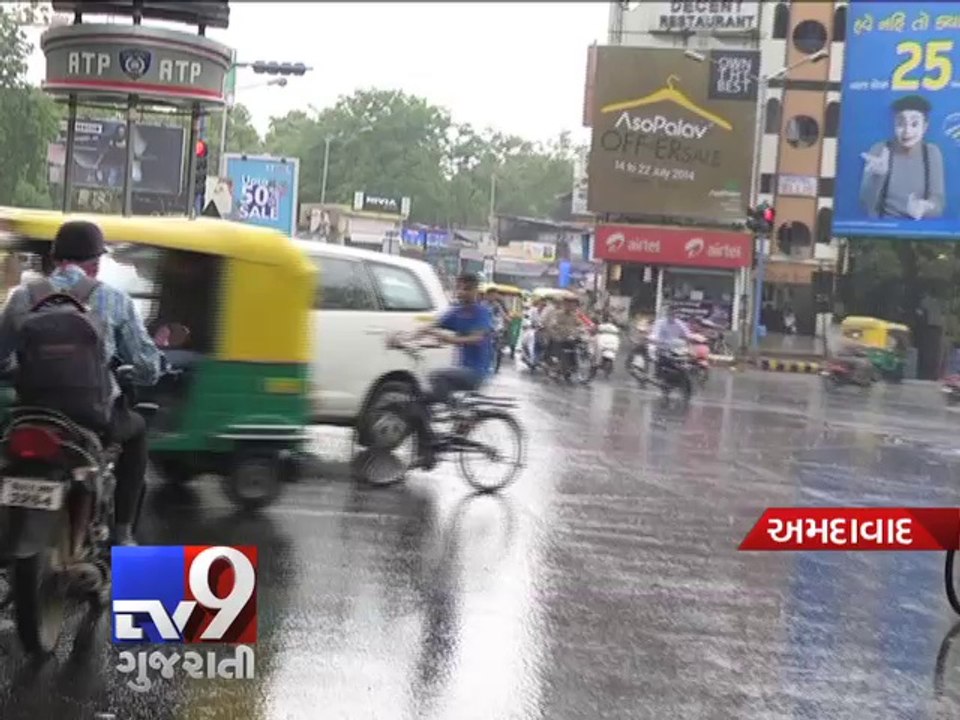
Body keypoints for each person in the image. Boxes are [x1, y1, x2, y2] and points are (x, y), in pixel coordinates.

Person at [0, 221, 162, 545]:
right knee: (138, 431)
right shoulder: (115, 301)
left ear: (54, 258)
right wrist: (145, 373)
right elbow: (147, 366)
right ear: (96, 263)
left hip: (30, 411)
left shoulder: (22, 296)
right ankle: (123, 533)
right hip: (92, 417)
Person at [394, 272, 494, 469]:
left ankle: (459, 411)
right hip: (460, 370)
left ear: (475, 291)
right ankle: (429, 451)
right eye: (459, 288)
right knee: (419, 403)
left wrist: (451, 340)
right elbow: (430, 327)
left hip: (476, 372)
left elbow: (477, 338)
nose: (461, 293)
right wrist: (405, 339)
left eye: (466, 289)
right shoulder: (455, 312)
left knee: (436, 376)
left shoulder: (481, 313)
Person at [859, 94, 945, 220]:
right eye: (900, 123)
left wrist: (925, 208)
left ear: (925, 126)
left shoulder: (932, 152)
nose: (907, 131)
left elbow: (938, 204)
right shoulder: (880, 149)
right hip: (885, 229)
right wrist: (877, 177)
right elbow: (866, 205)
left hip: (918, 229)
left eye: (914, 124)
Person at [648, 303, 692, 375]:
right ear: (668, 312)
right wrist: (654, 340)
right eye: (672, 312)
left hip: (675, 350)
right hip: (662, 348)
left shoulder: (680, 323)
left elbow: (688, 335)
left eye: (676, 313)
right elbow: (654, 335)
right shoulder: (660, 323)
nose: (674, 315)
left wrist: (691, 345)